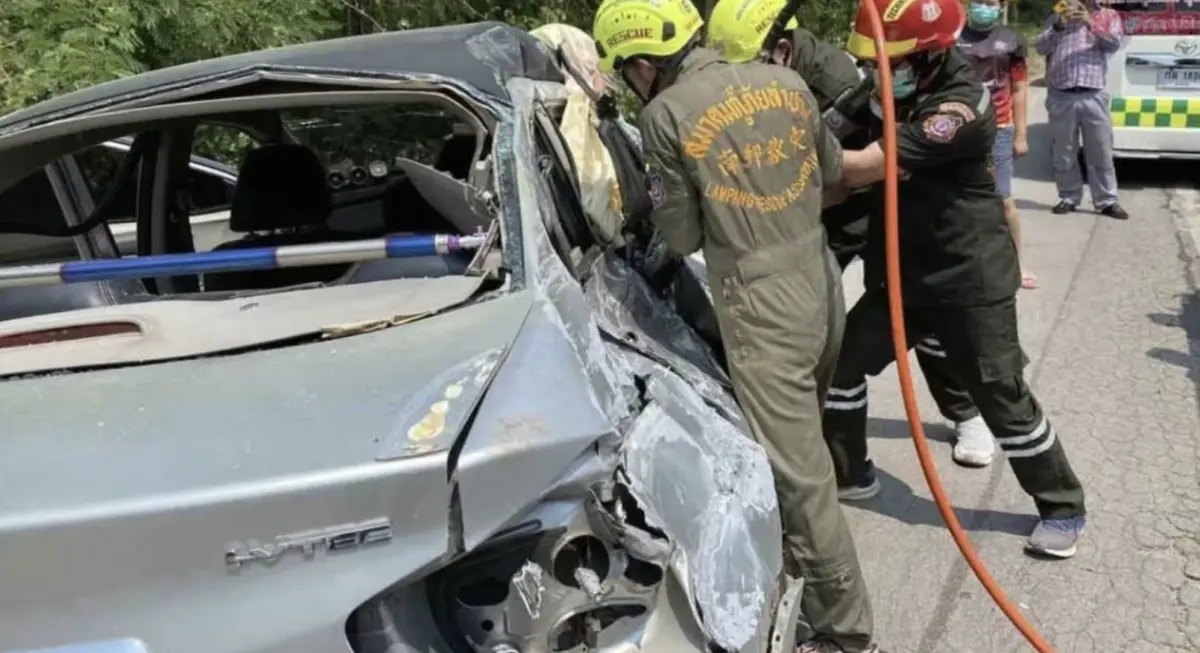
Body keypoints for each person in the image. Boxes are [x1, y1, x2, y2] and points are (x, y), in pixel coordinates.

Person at [591, 0, 880, 650]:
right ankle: (805, 566)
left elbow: (681, 233)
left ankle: (846, 631)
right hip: (821, 282)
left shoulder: (664, 116)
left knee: (800, 479)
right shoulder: (787, 81)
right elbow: (834, 172)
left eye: (627, 70)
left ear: (643, 63)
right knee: (805, 452)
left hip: (762, 308)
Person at [824, 0, 1088, 559]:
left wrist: (792, 164)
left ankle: (1063, 506)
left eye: (891, 62)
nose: (879, 72)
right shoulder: (884, 89)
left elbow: (864, 165)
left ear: (928, 56)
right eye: (875, 63)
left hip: (968, 279)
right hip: (904, 276)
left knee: (1002, 397)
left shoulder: (959, 107)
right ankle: (850, 473)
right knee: (841, 367)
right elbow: (827, 129)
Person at [703, 0, 1001, 472]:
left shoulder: (837, 78)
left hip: (883, 203)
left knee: (924, 318)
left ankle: (965, 413)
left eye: (749, 67)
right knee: (827, 319)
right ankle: (824, 425)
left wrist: (778, 194)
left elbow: (855, 167)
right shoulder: (769, 81)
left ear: (781, 51)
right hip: (832, 199)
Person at [958, 0, 1038, 289]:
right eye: (978, 1)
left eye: (990, 2)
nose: (984, 6)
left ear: (1000, 5)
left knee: (1003, 201)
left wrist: (1021, 135)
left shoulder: (1012, 41)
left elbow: (1019, 88)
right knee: (958, 200)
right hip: (961, 128)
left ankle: (1017, 263)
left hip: (1000, 129)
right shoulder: (952, 37)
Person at [1034, 0, 1128, 220]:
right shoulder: (1057, 14)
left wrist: (1090, 23)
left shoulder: (1108, 16)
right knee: (1064, 152)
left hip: (1093, 93)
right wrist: (1058, 25)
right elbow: (1040, 47)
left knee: (1100, 150)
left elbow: (1114, 44)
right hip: (1061, 93)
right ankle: (1069, 196)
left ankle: (1107, 200)